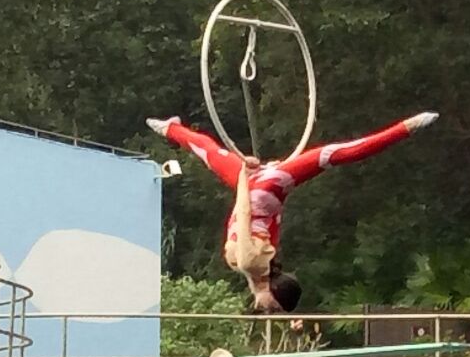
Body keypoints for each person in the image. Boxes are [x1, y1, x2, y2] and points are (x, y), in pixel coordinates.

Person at [147, 113, 439, 312]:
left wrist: (247, 172)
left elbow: (247, 216)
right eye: (273, 307)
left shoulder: (254, 269)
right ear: (273, 291)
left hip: (257, 189)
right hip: (263, 188)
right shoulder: (252, 264)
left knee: (209, 152)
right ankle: (405, 128)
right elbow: (243, 211)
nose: (265, 309)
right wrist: (251, 174)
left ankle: (171, 128)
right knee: (332, 154)